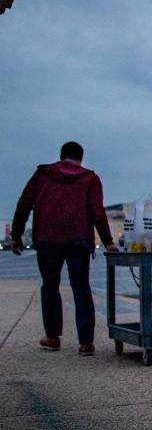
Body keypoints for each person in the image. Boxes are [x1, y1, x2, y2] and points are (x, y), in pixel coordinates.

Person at [11, 141, 117, 355]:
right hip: (78, 238)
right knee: (81, 287)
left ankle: (52, 338)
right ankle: (86, 342)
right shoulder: (89, 178)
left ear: (61, 156)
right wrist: (108, 241)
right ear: (81, 158)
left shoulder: (42, 174)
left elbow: (24, 204)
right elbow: (97, 211)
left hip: (48, 238)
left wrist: (16, 235)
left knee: (50, 285)